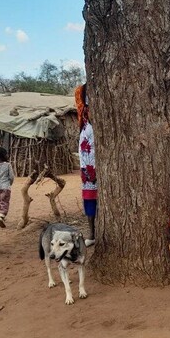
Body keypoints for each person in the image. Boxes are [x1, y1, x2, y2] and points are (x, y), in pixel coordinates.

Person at [75, 84, 96, 247]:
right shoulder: (85, 123)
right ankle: (92, 233)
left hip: (98, 164)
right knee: (90, 199)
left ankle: (95, 233)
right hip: (88, 165)